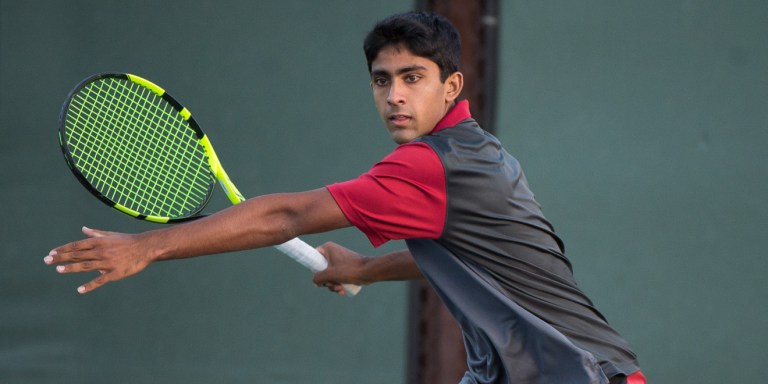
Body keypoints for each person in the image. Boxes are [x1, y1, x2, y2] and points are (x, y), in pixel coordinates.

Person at [46, 12, 644, 384]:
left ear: (451, 86)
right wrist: (366, 268)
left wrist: (149, 246)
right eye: (382, 81)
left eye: (414, 78)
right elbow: (472, 255)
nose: (395, 97)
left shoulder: (431, 166)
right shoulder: (481, 152)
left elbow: (287, 215)